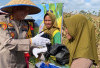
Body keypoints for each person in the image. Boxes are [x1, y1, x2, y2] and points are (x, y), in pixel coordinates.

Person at [0, 0, 50, 68]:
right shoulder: (2, 21)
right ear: (15, 8)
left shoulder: (25, 24)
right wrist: (31, 42)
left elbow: (23, 42)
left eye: (28, 11)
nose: (27, 13)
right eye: (24, 10)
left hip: (21, 64)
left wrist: (34, 49)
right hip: (6, 64)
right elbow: (7, 43)